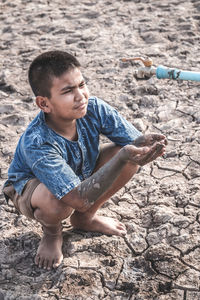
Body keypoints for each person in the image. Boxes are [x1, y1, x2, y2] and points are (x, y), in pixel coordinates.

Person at [3, 50, 167, 271]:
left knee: (127, 154)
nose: (80, 95)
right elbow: (77, 199)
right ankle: (52, 233)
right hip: (32, 189)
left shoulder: (94, 108)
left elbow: (132, 148)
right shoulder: (38, 141)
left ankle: (85, 219)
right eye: (68, 91)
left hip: (77, 172)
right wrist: (123, 157)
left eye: (81, 85)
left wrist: (145, 148)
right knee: (57, 202)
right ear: (44, 104)